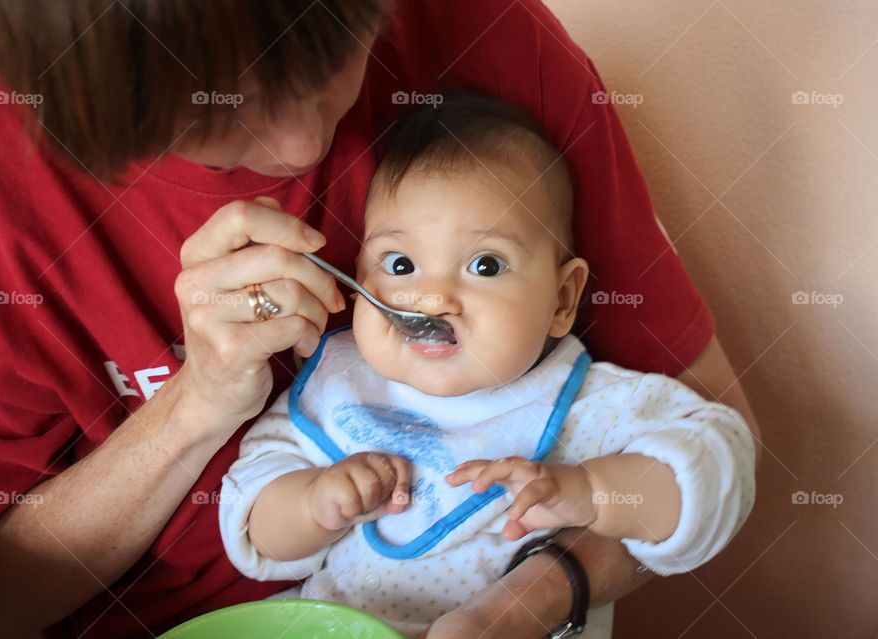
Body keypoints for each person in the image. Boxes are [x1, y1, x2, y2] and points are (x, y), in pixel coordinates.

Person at [0, 1, 760, 637]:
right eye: (210, 117)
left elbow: (713, 438)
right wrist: (200, 401)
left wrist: (532, 595)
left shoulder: (488, 42)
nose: (299, 148)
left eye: (326, 61)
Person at [219, 95, 756, 638]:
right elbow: (252, 527)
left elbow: (718, 474)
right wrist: (313, 503)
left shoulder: (594, 407)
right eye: (400, 264)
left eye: (485, 264)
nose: (432, 297)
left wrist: (592, 491)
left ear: (563, 299)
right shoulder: (343, 385)